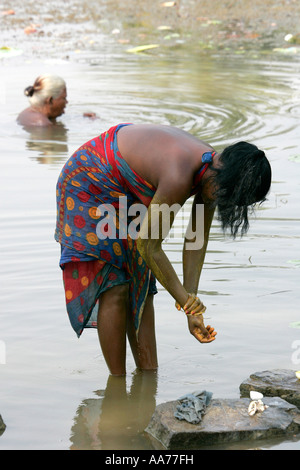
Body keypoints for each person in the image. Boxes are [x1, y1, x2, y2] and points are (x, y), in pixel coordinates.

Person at [55, 123, 272, 376]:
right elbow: (149, 246)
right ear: (225, 180)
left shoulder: (213, 172)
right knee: (117, 284)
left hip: (126, 190)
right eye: (229, 197)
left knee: (144, 283)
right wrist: (185, 301)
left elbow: (195, 240)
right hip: (90, 181)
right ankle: (117, 389)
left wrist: (192, 306)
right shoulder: (180, 175)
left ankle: (148, 379)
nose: (225, 202)